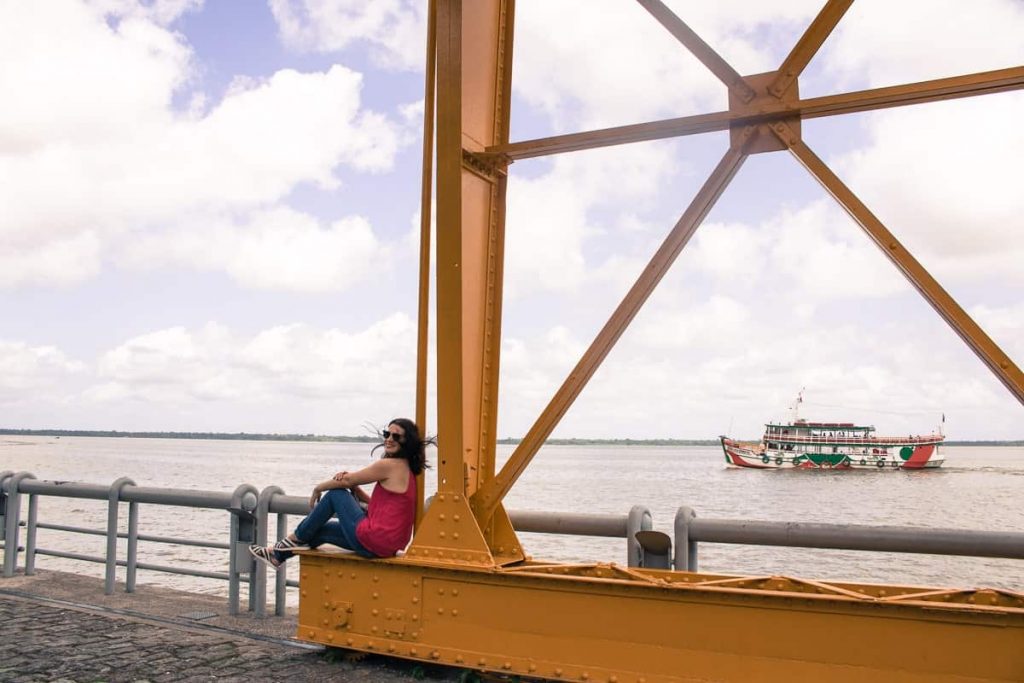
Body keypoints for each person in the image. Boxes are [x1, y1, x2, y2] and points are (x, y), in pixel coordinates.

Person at [249, 418, 428, 568]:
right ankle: (277, 556)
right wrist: (356, 490)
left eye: (396, 436)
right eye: (386, 434)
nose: (389, 439)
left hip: (374, 539)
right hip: (386, 546)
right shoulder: (408, 470)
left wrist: (319, 487)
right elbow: (378, 507)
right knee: (318, 531)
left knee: (336, 494)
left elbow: (348, 480)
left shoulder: (389, 465)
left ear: (407, 441)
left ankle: (286, 543)